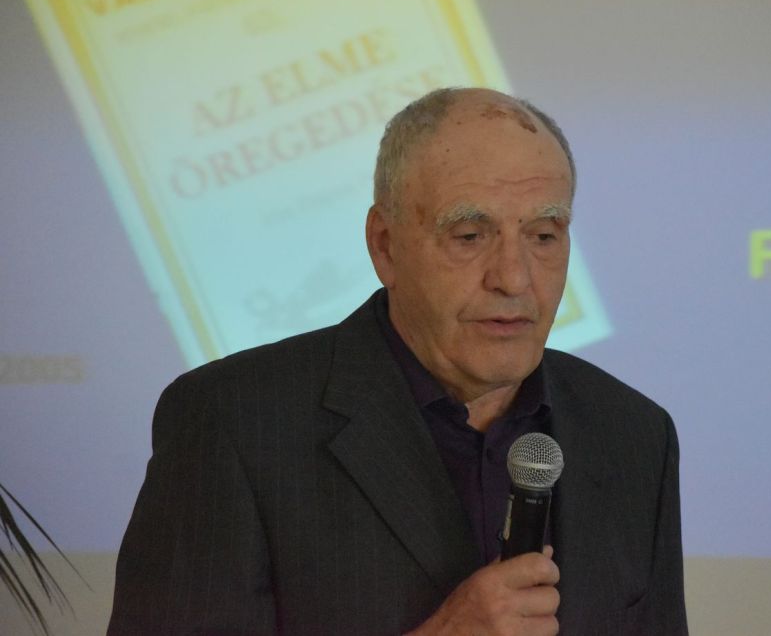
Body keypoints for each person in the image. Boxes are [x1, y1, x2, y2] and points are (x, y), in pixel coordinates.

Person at [108, 87, 687, 635]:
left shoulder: (635, 435)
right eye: (469, 235)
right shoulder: (234, 422)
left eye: (543, 235)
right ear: (384, 245)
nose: (514, 279)